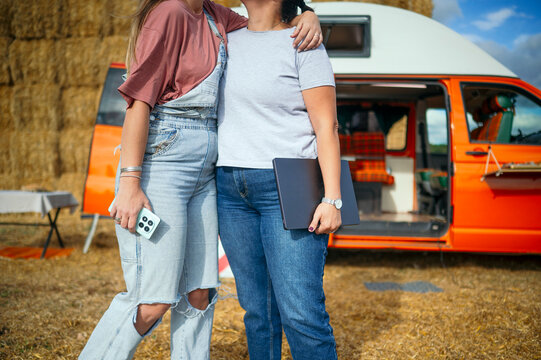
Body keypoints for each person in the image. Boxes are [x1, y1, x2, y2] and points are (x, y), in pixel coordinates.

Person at [78, 1, 322, 359]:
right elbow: (139, 103)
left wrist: (306, 13)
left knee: (200, 293)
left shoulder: (216, 14)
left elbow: (269, 21)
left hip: (208, 164)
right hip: (165, 157)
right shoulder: (170, 12)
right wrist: (130, 183)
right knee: (153, 299)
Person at [216, 0, 341, 359]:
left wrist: (332, 199)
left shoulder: (303, 41)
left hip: (285, 187)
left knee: (301, 314)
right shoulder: (224, 34)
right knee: (257, 313)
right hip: (228, 188)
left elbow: (326, 126)